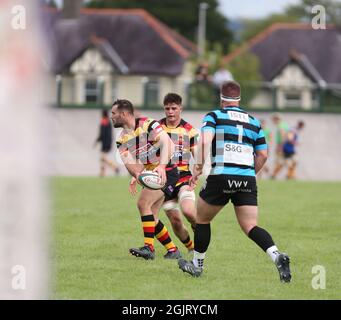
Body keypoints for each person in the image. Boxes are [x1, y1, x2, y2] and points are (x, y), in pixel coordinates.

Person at [177, 81, 291, 283]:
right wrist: (247, 173)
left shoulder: (214, 116)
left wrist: (197, 168)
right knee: (250, 225)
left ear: (222, 98)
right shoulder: (254, 122)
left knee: (202, 219)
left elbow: (204, 141)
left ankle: (197, 265)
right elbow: (263, 155)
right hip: (247, 178)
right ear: (239, 99)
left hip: (221, 175)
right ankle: (277, 256)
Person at [112, 99, 181, 260]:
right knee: (152, 216)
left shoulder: (147, 124)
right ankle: (173, 250)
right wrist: (138, 176)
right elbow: (130, 164)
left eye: (114, 113)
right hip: (152, 175)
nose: (112, 117)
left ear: (124, 114)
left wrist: (162, 167)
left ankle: (149, 248)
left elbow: (168, 144)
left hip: (168, 171)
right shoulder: (121, 139)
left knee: (143, 203)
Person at [129, 93, 198, 253]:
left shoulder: (189, 131)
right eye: (167, 108)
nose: (170, 112)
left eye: (174, 108)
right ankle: (190, 249)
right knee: (175, 220)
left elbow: (198, 157)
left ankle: (200, 232)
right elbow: (147, 154)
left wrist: (196, 174)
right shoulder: (156, 128)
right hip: (163, 178)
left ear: (181, 108)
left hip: (182, 178)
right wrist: (137, 174)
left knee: (188, 211)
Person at [94, 110, 119, 177]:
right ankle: (102, 173)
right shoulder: (108, 122)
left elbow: (102, 134)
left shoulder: (104, 122)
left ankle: (115, 167)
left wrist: (96, 141)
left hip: (105, 143)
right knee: (102, 158)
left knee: (103, 158)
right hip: (108, 142)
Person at [271, 113, 289, 179]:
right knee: (282, 161)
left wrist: (280, 147)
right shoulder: (284, 125)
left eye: (273, 120)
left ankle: (273, 175)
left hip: (281, 145)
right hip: (285, 145)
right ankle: (274, 174)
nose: (273, 122)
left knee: (280, 161)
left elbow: (283, 136)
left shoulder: (280, 126)